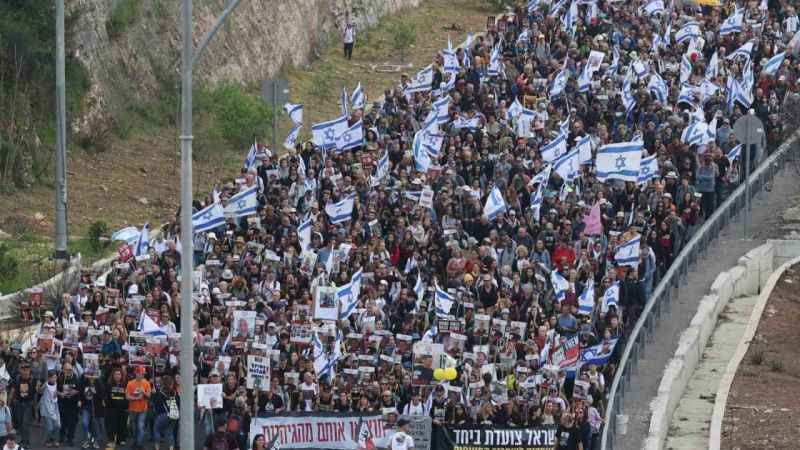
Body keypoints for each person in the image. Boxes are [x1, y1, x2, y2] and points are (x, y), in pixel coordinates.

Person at [8, 362, 35, 447]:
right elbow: (12, 391)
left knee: (25, 423)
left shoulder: (33, 380)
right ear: (20, 371)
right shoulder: (17, 379)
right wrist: (9, 403)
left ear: (29, 371)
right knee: (19, 423)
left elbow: (38, 392)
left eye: (27, 370)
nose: (25, 372)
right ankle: (23, 439)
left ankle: (26, 441)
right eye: (23, 370)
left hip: (28, 405)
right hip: (18, 404)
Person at [125, 366, 152, 450]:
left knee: (140, 426)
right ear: (136, 373)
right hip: (133, 409)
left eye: (143, 374)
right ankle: (135, 441)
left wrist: (143, 392)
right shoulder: (130, 383)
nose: (143, 375)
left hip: (143, 409)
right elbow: (127, 397)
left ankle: (139, 443)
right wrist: (136, 398)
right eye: (141, 374)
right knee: (134, 427)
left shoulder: (146, 383)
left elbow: (149, 396)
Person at [151, 375, 180, 450]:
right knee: (170, 432)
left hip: (163, 415)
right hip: (174, 415)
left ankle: (157, 447)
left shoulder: (161, 393)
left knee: (156, 430)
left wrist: (153, 394)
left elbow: (156, 403)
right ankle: (171, 447)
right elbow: (178, 403)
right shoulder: (174, 393)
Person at [105, 367, 128, 447]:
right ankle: (111, 440)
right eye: (116, 374)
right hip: (112, 408)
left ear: (121, 375)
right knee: (112, 425)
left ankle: (121, 439)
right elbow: (106, 396)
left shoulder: (125, 384)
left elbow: (127, 396)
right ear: (113, 375)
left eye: (119, 374)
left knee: (122, 424)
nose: (117, 376)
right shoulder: (109, 384)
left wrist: (126, 406)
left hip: (123, 408)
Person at [39, 370, 60, 448]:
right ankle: (47, 441)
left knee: (57, 425)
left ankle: (55, 440)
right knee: (50, 428)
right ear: (49, 378)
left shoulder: (56, 384)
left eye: (55, 377)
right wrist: (41, 386)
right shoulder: (46, 385)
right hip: (46, 408)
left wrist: (58, 394)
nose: (54, 379)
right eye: (52, 377)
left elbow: (55, 392)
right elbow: (40, 391)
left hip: (54, 407)